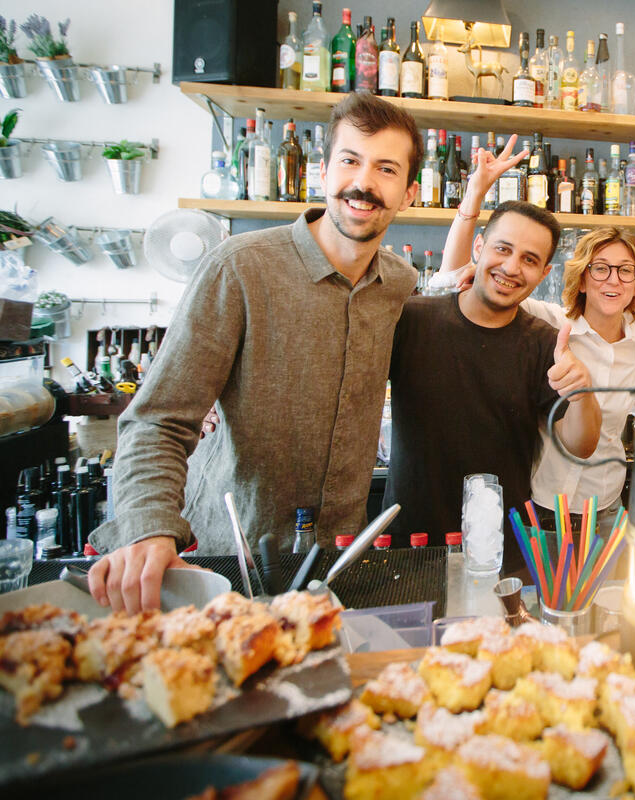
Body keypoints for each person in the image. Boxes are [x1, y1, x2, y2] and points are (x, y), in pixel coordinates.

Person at [88, 93, 425, 612]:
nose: (364, 183)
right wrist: (148, 527)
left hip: (337, 564)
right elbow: (158, 419)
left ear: (409, 192)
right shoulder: (240, 268)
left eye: (386, 169)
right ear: (324, 172)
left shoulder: (400, 284)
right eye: (350, 161)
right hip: (226, 561)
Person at [383, 190, 603, 573]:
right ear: (480, 246)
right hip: (410, 543)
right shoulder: (412, 320)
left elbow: (580, 445)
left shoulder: (545, 343)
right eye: (503, 249)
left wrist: (582, 394)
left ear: (544, 273)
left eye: (530, 260)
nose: (512, 267)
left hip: (502, 549)